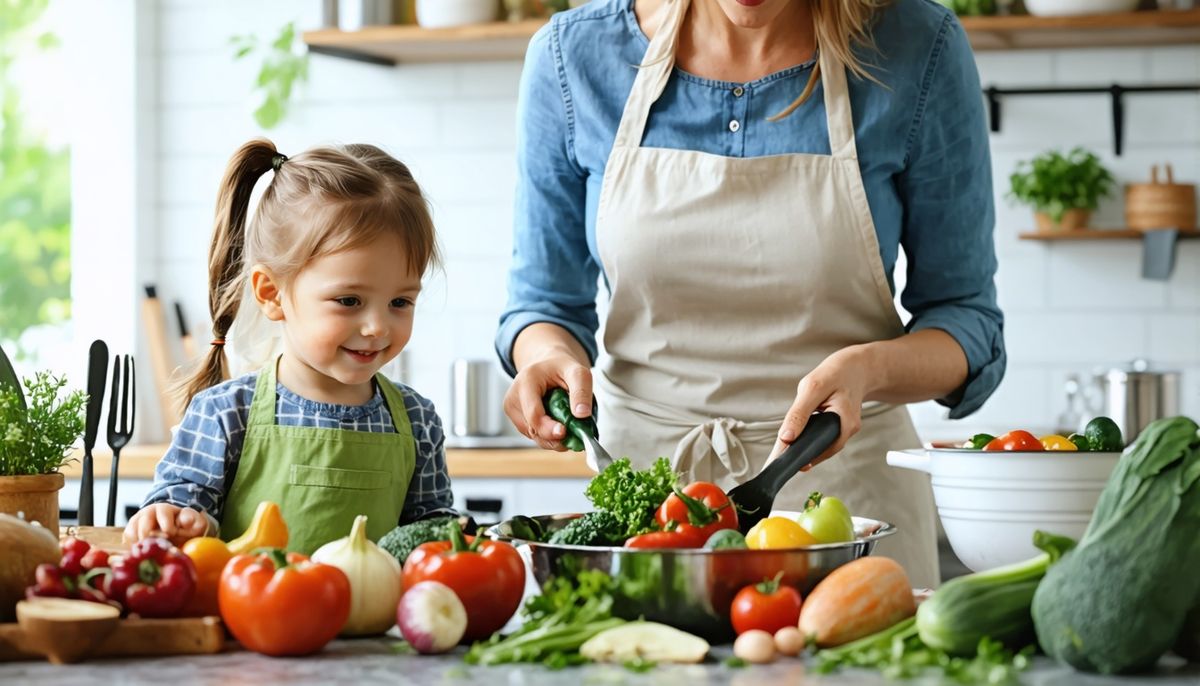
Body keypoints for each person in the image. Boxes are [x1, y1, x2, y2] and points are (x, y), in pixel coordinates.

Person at [496, 0, 1003, 587]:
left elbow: (967, 322)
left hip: (845, 509)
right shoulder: (573, 56)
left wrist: (869, 368)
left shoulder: (917, 45)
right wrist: (546, 359)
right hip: (650, 511)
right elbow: (544, 304)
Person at [127, 139, 455, 554]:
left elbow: (433, 532)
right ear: (272, 294)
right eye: (349, 301)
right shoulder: (226, 414)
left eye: (400, 302)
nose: (376, 326)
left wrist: (452, 534)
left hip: (379, 622)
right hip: (251, 618)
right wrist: (172, 518)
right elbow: (177, 507)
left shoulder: (417, 420)